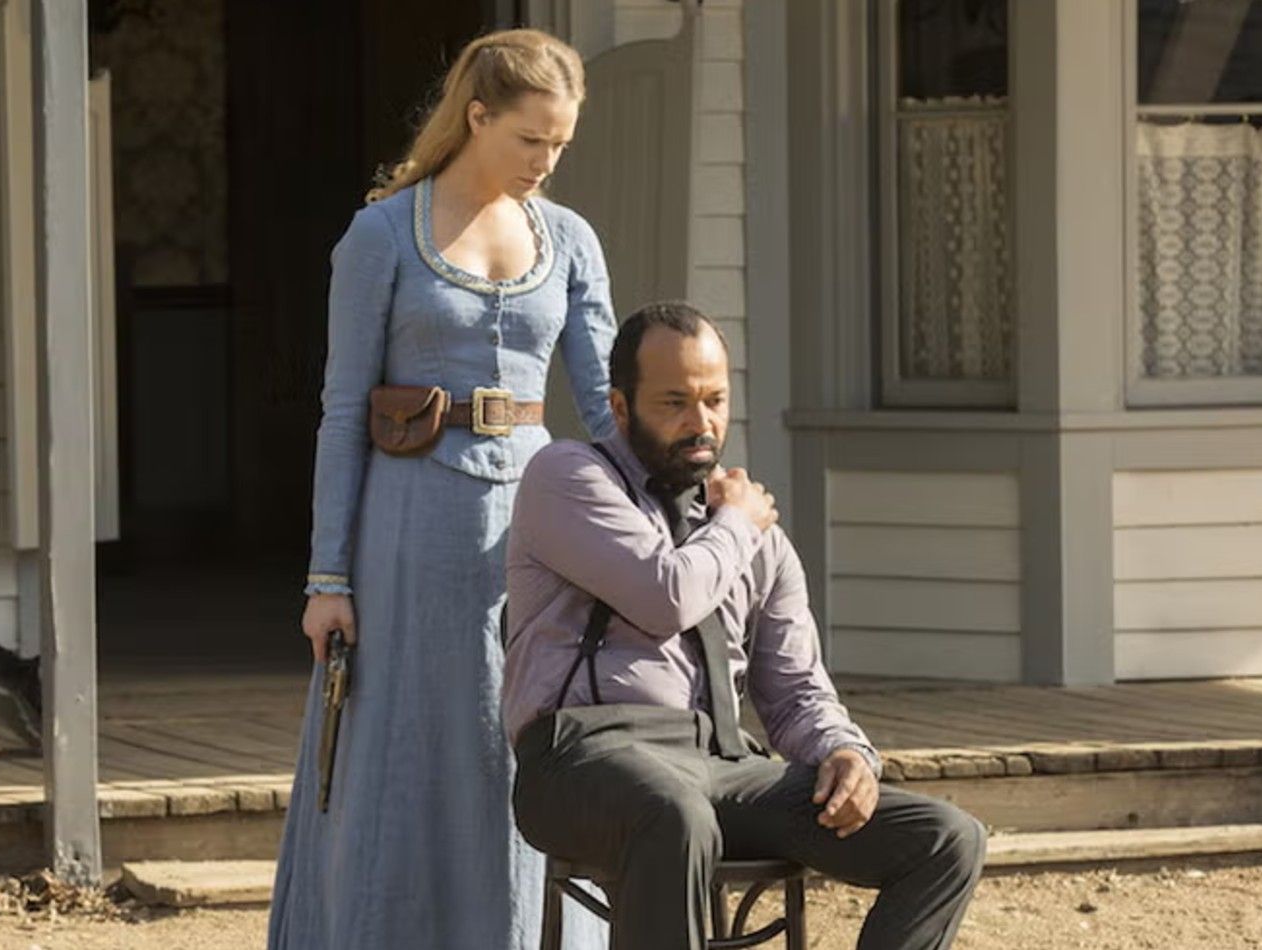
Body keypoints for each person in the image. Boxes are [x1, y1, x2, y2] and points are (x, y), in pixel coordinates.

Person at [266, 28, 618, 950]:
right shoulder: (382, 235)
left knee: (524, 733)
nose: (546, 161)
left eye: (560, 143)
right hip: (408, 523)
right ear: (477, 116)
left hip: (537, 523)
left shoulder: (570, 240)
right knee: (406, 738)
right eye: (530, 138)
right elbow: (343, 412)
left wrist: (661, 516)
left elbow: (607, 407)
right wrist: (327, 579)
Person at [503, 302, 987, 950]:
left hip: (720, 762)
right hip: (581, 760)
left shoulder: (756, 536)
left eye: (715, 401)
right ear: (620, 407)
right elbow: (665, 596)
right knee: (674, 815)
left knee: (944, 839)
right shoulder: (568, 476)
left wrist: (846, 753)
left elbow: (796, 690)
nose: (700, 423)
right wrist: (736, 525)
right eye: (675, 403)